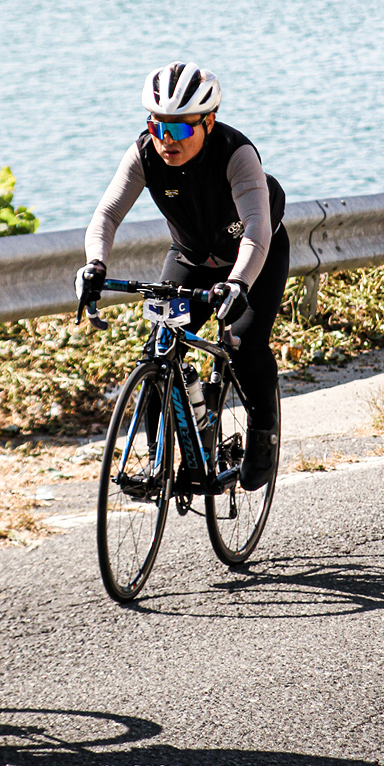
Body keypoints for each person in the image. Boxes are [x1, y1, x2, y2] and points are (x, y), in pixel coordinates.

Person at [76, 62, 289, 490]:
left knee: (244, 345)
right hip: (191, 258)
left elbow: (256, 231)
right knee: (159, 347)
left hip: (253, 257)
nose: (167, 140)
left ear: (208, 122)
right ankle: (159, 460)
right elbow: (107, 215)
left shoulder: (236, 153)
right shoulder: (144, 154)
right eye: (158, 127)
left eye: (180, 129)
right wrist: (94, 264)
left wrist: (238, 284)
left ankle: (264, 434)